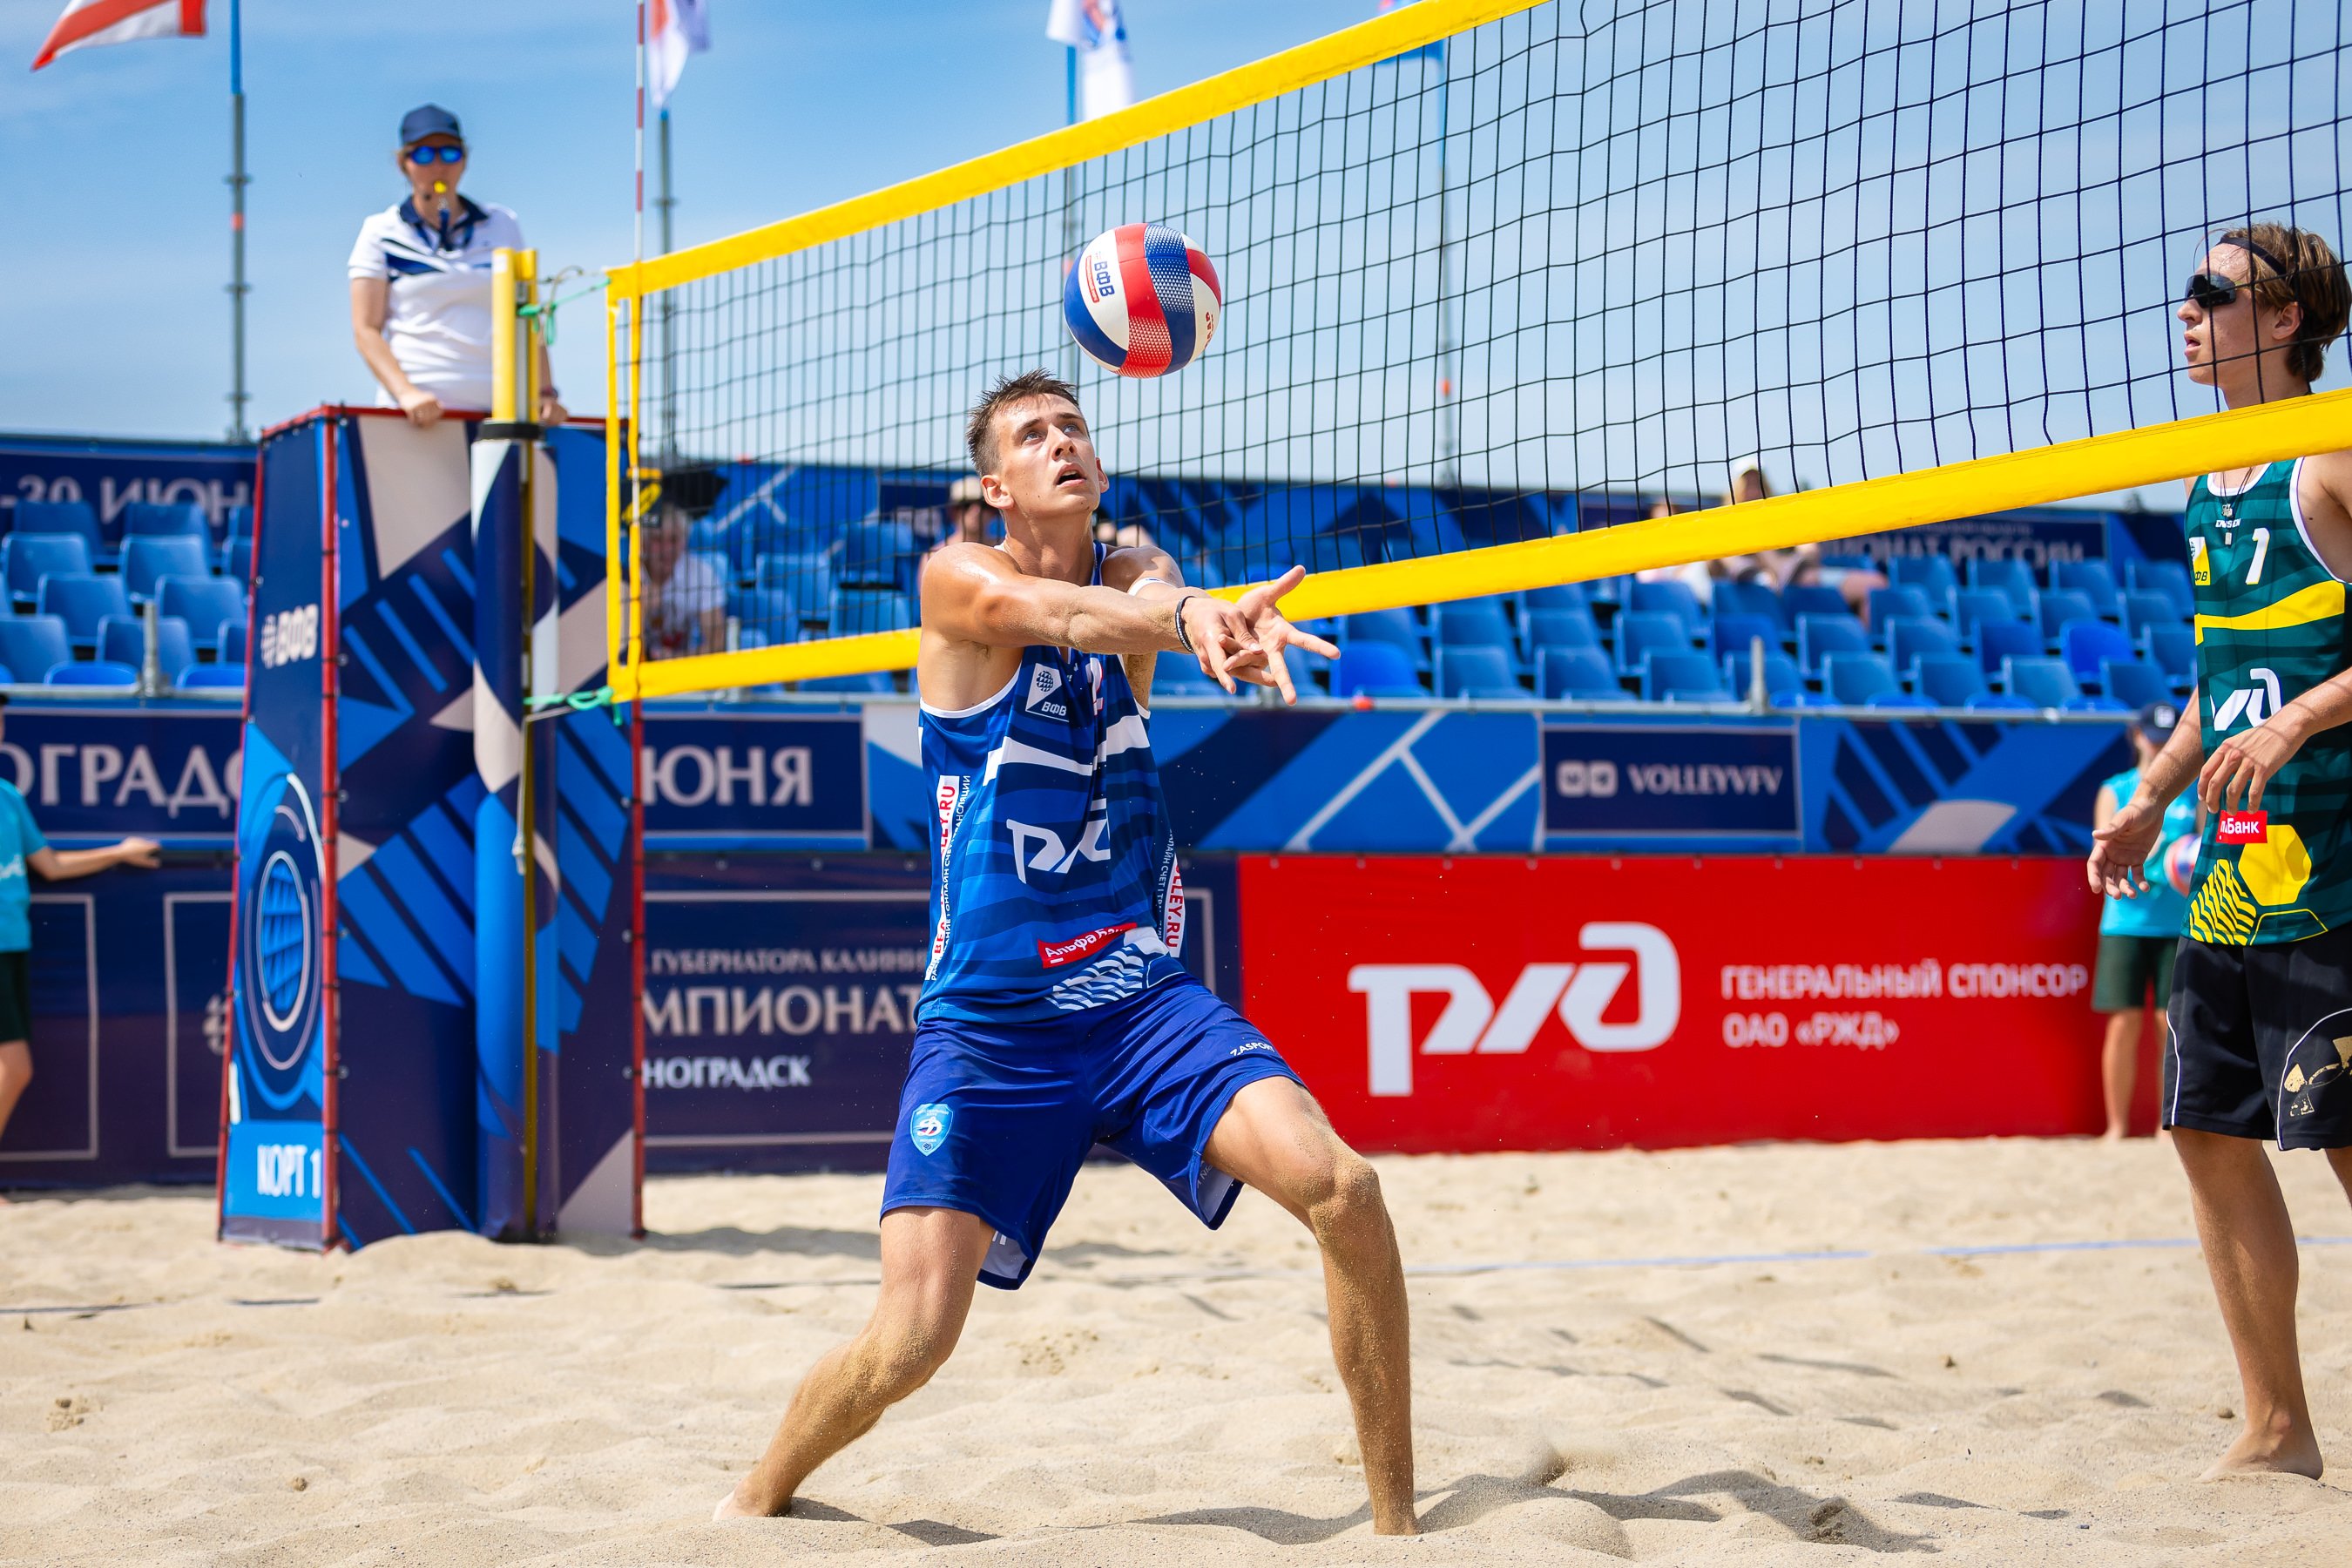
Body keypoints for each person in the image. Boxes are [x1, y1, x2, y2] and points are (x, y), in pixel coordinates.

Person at [714, 370, 1417, 1534]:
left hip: (1138, 1000)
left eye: (1075, 427)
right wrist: (1193, 624)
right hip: (990, 1026)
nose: (1061, 443)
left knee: (1345, 1191)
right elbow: (1071, 618)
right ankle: (757, 1496)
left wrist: (1202, 612)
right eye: (1033, 435)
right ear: (996, 486)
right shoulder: (958, 580)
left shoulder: (1138, 567)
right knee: (911, 1342)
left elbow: (1145, 592)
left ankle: (1399, 1531)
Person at [2088, 220, 2352, 1479]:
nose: (2185, 310)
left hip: (2340, 863)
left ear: (2284, 321)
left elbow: (2282, 696)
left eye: (2213, 291)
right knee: (2205, 1129)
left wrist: (2302, 720)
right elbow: (2222, 679)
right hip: (2234, 867)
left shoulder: (2330, 448)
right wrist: (2150, 796)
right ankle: (2278, 1429)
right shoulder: (2207, 472)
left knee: (2345, 1137)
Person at [0, 695, 160, 1164]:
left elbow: (49, 865)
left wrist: (119, 852)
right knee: (15, 1067)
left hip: (13, 945)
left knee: (12, 1067)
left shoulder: (9, 797)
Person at [348, 105, 566, 429]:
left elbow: (529, 315)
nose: (438, 166)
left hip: (501, 411)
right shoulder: (380, 231)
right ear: (403, 163)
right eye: (424, 155)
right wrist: (407, 394)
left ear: (464, 160)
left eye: (450, 153)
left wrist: (545, 392)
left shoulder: (502, 223)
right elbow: (366, 329)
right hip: (416, 418)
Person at [2089, 703, 2196, 1140]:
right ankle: (2116, 1127)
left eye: (2167, 737)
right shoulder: (2116, 790)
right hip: (2125, 921)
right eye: (2153, 736)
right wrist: (2153, 852)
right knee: (2124, 1023)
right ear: (2136, 736)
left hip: (2177, 921)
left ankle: (2165, 1125)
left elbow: (2200, 851)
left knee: (2168, 1025)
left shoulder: (2191, 790)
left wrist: (2178, 860)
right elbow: (2105, 847)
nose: (2159, 744)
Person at [1728, 460, 1887, 615]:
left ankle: (1859, 633)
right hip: (1768, 593)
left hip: (1807, 579)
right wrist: (1765, 573)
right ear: (1736, 489)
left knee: (1876, 584)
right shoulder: (1727, 526)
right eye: (1747, 485)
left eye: (1757, 484)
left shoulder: (1781, 517)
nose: (1753, 491)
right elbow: (1738, 566)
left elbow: (1809, 551)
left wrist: (1794, 565)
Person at [638, 468, 729, 659]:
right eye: (657, 540)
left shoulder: (702, 574)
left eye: (674, 540)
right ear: (643, 542)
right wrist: (640, 608)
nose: (666, 549)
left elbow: (717, 643)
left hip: (681, 668)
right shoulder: (626, 574)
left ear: (685, 541)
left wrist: (675, 660)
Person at [931, 476, 995, 553]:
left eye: (984, 505)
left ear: (993, 510)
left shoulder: (1004, 552)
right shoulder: (936, 554)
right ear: (953, 511)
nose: (976, 511)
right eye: (966, 505)